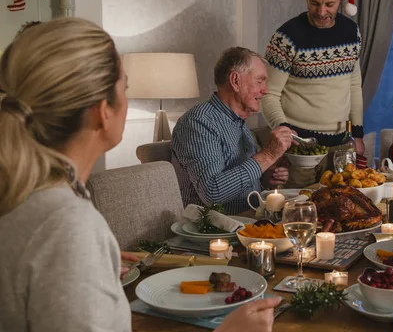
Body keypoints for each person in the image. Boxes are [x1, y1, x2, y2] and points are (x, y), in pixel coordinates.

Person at [0, 18, 281, 332]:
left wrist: (93, 266)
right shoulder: (67, 227)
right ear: (101, 111)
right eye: (125, 87)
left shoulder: (35, 201)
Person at [261, 0, 363, 185]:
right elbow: (268, 94)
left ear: (341, 1)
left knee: (341, 211)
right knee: (300, 211)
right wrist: (286, 133)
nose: (321, 11)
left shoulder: (351, 32)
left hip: (342, 146)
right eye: (314, 3)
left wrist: (358, 132)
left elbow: (354, 83)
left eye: (330, 4)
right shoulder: (287, 36)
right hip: (300, 147)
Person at [171, 47, 295, 215]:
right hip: (216, 232)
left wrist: (266, 177)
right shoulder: (199, 122)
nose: (265, 90)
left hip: (249, 220)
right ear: (236, 81)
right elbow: (213, 193)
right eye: (260, 81)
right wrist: (268, 155)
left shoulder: (239, 122)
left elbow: (241, 180)